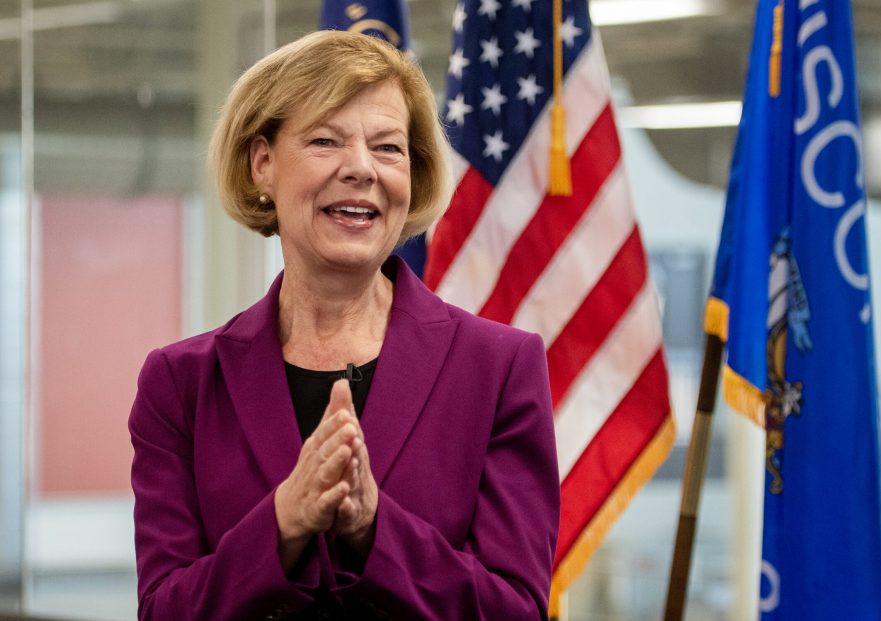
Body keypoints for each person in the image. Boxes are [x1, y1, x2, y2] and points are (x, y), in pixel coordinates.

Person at [128, 30, 559, 620]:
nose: (361, 169)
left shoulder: (499, 367)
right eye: (326, 140)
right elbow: (162, 612)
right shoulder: (180, 383)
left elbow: (517, 611)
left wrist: (374, 528)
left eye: (388, 148)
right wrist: (284, 523)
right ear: (262, 165)